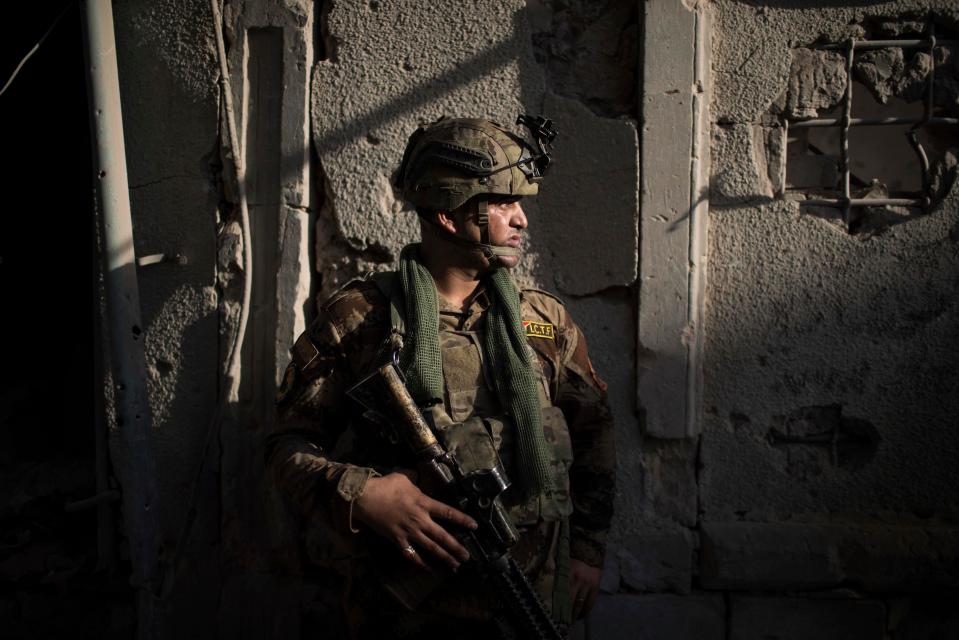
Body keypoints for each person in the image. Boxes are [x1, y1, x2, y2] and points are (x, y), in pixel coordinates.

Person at [266, 115, 615, 639]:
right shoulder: (362, 319)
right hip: (410, 612)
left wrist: (586, 550)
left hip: (532, 597)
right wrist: (365, 496)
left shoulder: (545, 322)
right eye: (501, 202)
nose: (520, 219)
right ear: (449, 214)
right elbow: (286, 447)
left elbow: (594, 436)